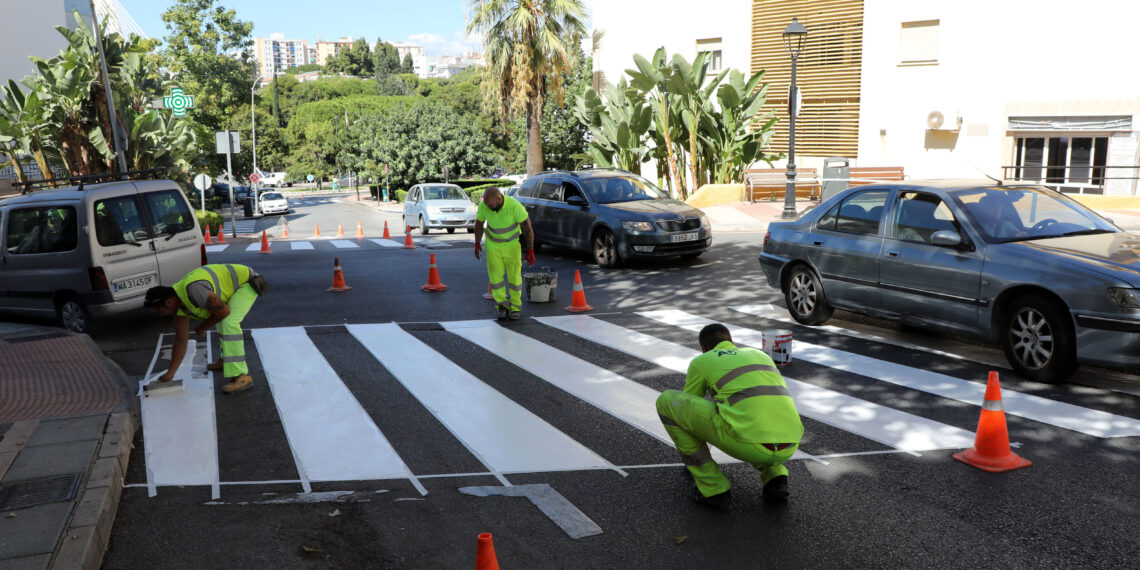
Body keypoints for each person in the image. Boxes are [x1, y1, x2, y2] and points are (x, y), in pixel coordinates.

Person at [656, 323, 804, 508]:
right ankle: (775, 477)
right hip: (790, 442)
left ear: (704, 349)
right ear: (731, 341)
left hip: (748, 442)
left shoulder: (703, 360)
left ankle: (712, 488)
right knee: (757, 410)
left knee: (667, 402)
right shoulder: (760, 355)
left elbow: (687, 404)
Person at [144, 264, 267, 393]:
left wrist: (202, 327)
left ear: (168, 302)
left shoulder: (193, 290)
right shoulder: (180, 306)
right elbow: (181, 340)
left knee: (228, 322)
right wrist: (171, 372)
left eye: (160, 310)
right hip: (232, 285)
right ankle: (226, 360)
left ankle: (242, 376)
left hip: (246, 282)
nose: (160, 314)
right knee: (220, 319)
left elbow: (223, 312)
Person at [474, 186, 536, 320]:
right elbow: (479, 224)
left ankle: (515, 307)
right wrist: (477, 243)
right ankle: (501, 306)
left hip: (512, 246)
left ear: (499, 199)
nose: (488, 207)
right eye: (486, 205)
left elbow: (528, 228)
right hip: (493, 246)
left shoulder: (514, 206)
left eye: (491, 205)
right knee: (496, 279)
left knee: (514, 278)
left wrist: (530, 249)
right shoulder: (484, 205)